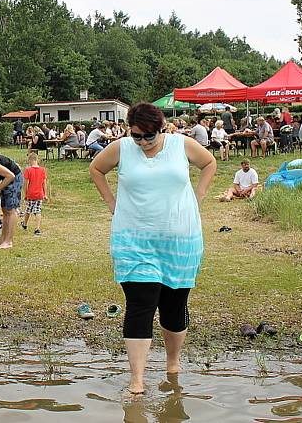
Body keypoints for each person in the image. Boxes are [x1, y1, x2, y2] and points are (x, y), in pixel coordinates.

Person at [89, 102, 216, 396]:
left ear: (162, 129)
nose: (144, 142)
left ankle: (173, 363)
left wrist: (199, 194)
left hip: (179, 239)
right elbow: (96, 169)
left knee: (173, 307)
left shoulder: (181, 144)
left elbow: (209, 163)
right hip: (134, 241)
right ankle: (136, 380)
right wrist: (111, 202)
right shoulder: (122, 148)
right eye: (137, 136)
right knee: (140, 305)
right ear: (129, 131)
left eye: (150, 136)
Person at [21, 152, 49, 235]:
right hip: (39, 194)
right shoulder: (42, 170)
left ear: (30, 160)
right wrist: (45, 194)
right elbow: (44, 183)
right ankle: (37, 228)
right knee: (38, 210)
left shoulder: (28, 170)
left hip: (30, 193)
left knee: (28, 209)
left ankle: (25, 224)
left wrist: (25, 194)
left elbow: (26, 183)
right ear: (37, 160)